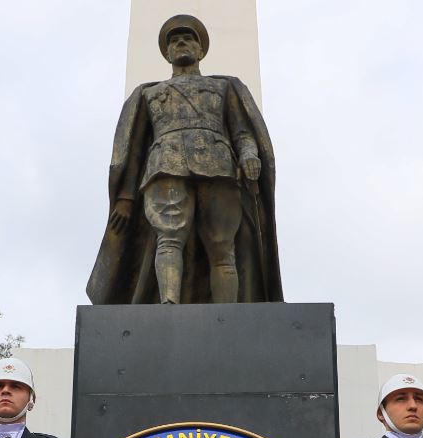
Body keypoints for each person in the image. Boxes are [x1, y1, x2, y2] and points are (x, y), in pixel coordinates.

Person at [86, 14, 283, 306]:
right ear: (167, 54)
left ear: (201, 50)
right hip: (165, 166)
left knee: (222, 247)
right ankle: (169, 305)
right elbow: (134, 150)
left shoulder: (225, 87)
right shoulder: (149, 93)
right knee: (169, 238)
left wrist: (249, 153)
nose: (181, 43)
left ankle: (226, 314)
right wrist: (126, 198)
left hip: (219, 168)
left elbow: (242, 130)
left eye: (188, 38)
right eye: (174, 40)